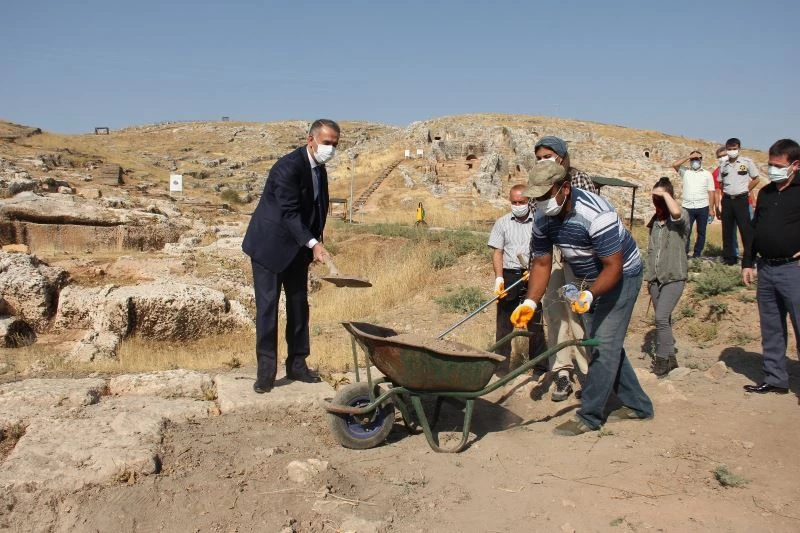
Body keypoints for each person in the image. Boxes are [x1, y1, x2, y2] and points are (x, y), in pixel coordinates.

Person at [511, 160, 654, 436]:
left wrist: (589, 294)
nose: (539, 203)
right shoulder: (542, 217)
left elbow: (614, 266)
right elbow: (541, 264)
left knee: (602, 343)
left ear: (564, 188)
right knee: (602, 343)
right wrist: (530, 302)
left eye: (544, 195)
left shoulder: (596, 214)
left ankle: (589, 416)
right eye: (535, 197)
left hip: (622, 276)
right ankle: (638, 405)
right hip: (587, 279)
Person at [242, 119, 340, 393]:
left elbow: (316, 209)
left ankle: (297, 364)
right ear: (311, 140)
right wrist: (313, 244)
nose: (330, 149)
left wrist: (316, 242)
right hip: (269, 248)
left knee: (299, 306)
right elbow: (289, 213)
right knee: (268, 309)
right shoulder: (287, 167)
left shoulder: (319, 170)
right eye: (326, 143)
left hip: (298, 250)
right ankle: (266, 372)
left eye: (335, 144)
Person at [531, 136, 595, 401]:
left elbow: (587, 218)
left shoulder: (579, 179)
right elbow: (538, 223)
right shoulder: (538, 180)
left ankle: (588, 374)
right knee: (554, 314)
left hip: (576, 257)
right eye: (538, 158)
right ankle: (561, 372)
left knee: (577, 316)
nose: (543, 161)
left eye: (547, 156)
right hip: (551, 257)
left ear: (561, 155)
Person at [741, 138, 800, 395]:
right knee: (771, 327)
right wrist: (747, 262)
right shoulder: (765, 192)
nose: (771, 169)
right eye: (769, 164)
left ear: (795, 165)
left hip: (793, 269)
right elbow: (754, 230)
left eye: (777, 165)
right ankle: (776, 379)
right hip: (766, 268)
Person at [487, 184, 546, 374]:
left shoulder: (539, 221)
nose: (518, 205)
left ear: (529, 201)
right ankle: (501, 369)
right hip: (510, 274)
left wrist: (534, 270)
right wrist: (499, 278)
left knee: (534, 323)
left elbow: (546, 251)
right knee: (504, 324)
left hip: (534, 274)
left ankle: (540, 367)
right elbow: (498, 252)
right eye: (514, 202)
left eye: (521, 202)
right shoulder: (502, 223)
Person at [645, 177, 689, 376]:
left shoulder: (681, 217)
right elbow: (651, 249)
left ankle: (662, 360)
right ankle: (671, 357)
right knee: (665, 320)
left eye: (660, 197)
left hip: (674, 277)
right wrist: (648, 276)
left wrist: (665, 194)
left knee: (661, 318)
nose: (657, 201)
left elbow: (677, 213)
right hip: (655, 279)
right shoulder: (655, 221)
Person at [718, 138, 759, 265]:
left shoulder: (746, 162)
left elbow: (756, 178)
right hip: (727, 200)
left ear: (739, 149)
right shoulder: (723, 165)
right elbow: (721, 182)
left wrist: (746, 190)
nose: (732, 151)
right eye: (729, 149)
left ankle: (750, 258)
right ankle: (729, 258)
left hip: (741, 199)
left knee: (745, 229)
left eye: (734, 149)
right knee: (727, 230)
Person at [671, 150, 714, 257]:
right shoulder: (685, 172)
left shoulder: (707, 174)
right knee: (686, 231)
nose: (695, 161)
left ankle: (697, 254)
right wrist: (689, 156)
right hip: (688, 206)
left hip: (703, 206)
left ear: (701, 160)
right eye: (693, 159)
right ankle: (684, 253)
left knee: (701, 232)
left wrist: (711, 209)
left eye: (697, 159)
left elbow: (711, 192)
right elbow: (675, 165)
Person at [712, 146, 739, 258]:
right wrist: (717, 208)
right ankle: (732, 255)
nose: (722, 158)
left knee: (748, 230)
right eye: (720, 156)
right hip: (729, 203)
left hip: (744, 202)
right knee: (729, 232)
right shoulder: (716, 173)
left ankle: (750, 255)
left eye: (724, 155)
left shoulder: (739, 166)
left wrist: (752, 201)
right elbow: (717, 191)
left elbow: (749, 183)